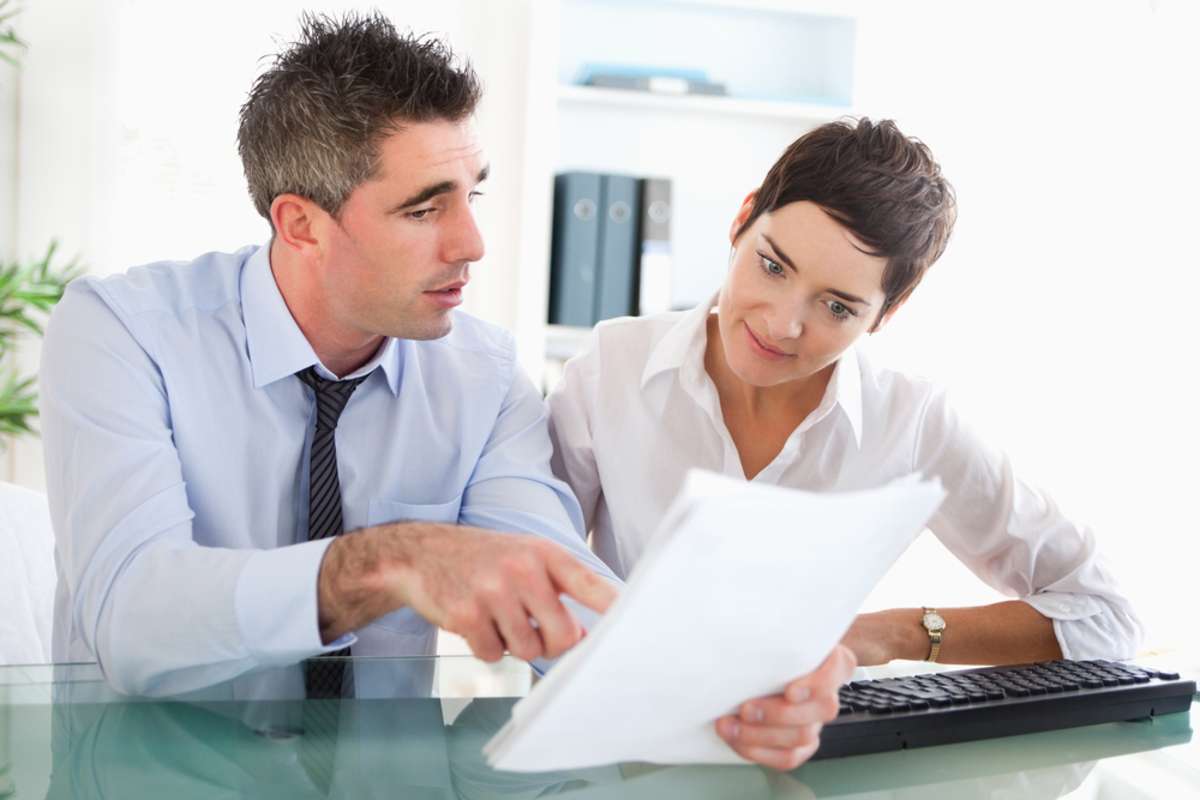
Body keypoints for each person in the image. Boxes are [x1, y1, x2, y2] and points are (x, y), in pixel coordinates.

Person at [39, 12, 848, 771]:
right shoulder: (123, 331)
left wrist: (729, 678)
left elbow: (560, 594)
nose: (473, 243)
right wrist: (386, 561)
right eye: (425, 209)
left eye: (473, 195)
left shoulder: (485, 375)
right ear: (301, 225)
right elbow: (130, 619)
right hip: (150, 776)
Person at [547, 117, 1143, 764]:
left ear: (890, 309)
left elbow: (1105, 617)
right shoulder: (612, 366)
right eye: (772, 265)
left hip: (805, 767)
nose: (782, 324)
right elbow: (526, 570)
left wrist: (879, 637)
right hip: (609, 755)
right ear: (744, 219)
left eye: (837, 307)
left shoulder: (910, 420)